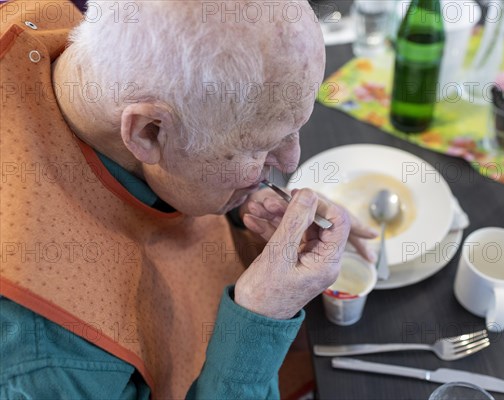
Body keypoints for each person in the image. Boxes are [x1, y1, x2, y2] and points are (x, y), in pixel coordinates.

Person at [0, 0, 378, 398]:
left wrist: (237, 205)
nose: (290, 160)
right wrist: (261, 318)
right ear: (148, 133)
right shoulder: (46, 357)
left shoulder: (82, 52)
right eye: (260, 145)